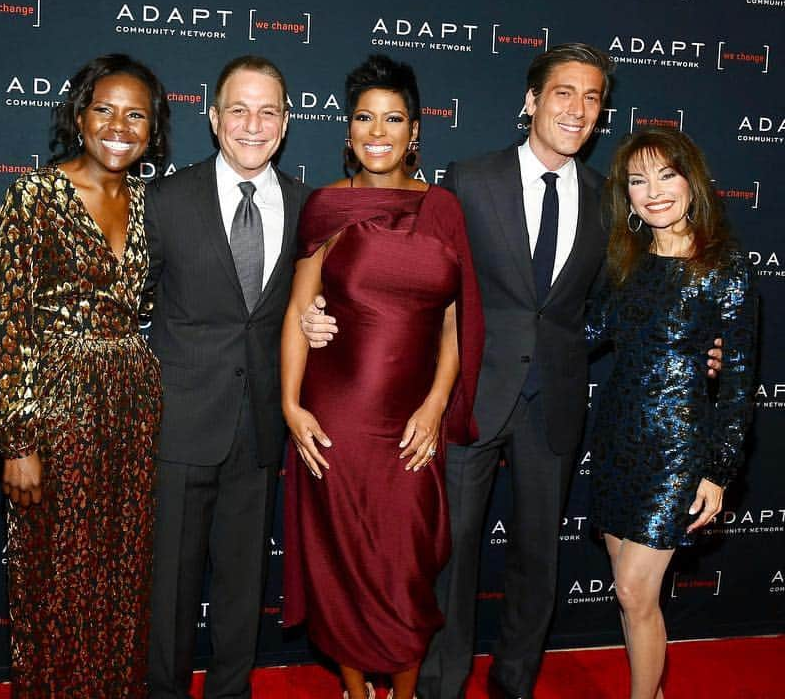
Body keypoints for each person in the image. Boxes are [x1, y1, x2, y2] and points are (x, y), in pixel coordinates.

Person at [301, 45, 724, 699]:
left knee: (538, 560)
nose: (577, 110)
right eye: (563, 93)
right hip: (469, 393)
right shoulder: (467, 181)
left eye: (591, 99)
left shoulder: (609, 199)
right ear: (531, 101)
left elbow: (632, 297)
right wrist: (320, 315)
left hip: (553, 402)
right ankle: (439, 684)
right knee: (449, 553)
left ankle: (514, 684)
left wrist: (694, 344)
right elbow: (400, 272)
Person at [280, 55, 483, 699]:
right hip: (335, 417)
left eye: (393, 119)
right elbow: (297, 310)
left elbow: (454, 326)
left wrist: (435, 405)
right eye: (364, 117)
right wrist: (291, 404)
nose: (378, 131)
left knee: (406, 566)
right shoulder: (326, 208)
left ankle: (402, 688)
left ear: (415, 131)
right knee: (342, 564)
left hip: (410, 424)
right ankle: (354, 687)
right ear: (347, 131)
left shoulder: (444, 208)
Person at [0, 54, 169, 697]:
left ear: (154, 127)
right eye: (104, 108)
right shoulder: (34, 196)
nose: (119, 124)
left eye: (136, 113)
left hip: (131, 412)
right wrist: (17, 441)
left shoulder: (146, 200)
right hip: (54, 412)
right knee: (55, 576)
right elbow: (6, 321)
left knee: (122, 574)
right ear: (78, 116)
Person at [145, 55, 311, 699]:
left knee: (244, 586)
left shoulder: (307, 206)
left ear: (287, 122)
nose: (253, 123)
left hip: (261, 426)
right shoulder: (164, 198)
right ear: (213, 119)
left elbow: (308, 306)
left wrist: (319, 322)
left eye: (268, 110)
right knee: (170, 590)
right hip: (178, 426)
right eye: (238, 109)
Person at [586, 127, 756, 699]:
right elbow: (585, 332)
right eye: (638, 180)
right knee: (631, 594)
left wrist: (718, 470)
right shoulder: (624, 263)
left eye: (666, 175)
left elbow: (736, 384)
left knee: (636, 592)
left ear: (692, 182)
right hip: (615, 437)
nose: (653, 191)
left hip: (678, 449)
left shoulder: (724, 269)